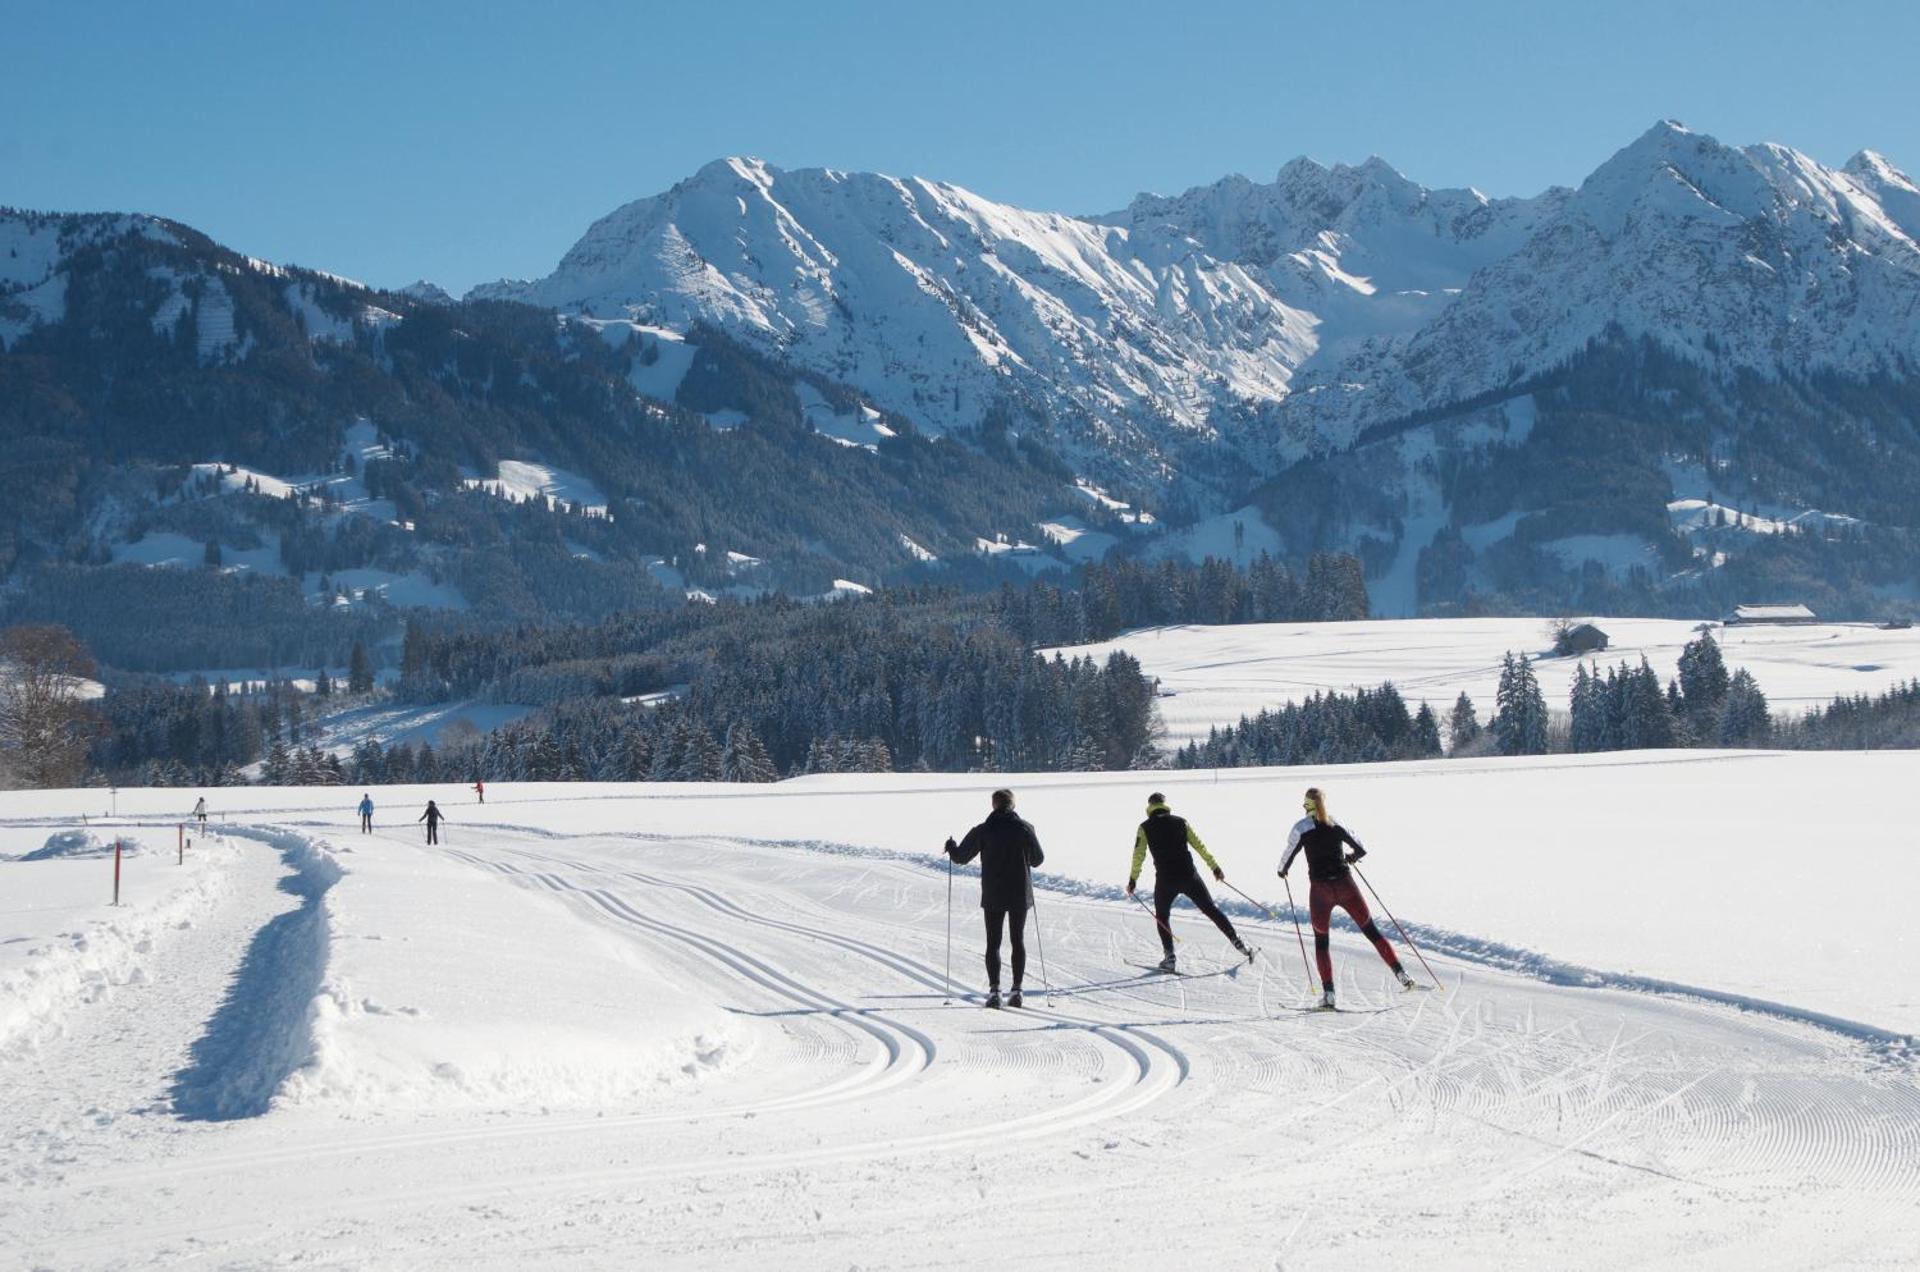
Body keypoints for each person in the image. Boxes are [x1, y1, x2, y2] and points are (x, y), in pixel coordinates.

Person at [1279, 787, 1415, 1009]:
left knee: (1322, 942)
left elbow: (1286, 857)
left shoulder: (1301, 828)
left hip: (1321, 892)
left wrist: (1282, 871)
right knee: (1371, 930)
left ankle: (1329, 994)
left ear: (1307, 806)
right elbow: (1361, 848)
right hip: (1346, 886)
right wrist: (1351, 857)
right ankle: (1402, 974)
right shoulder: (1335, 823)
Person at [1129, 793, 1254, 973]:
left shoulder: (1144, 828)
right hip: (1189, 876)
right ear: (1165, 804)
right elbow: (1199, 846)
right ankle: (1237, 942)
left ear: (1149, 807)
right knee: (1210, 909)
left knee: (1162, 917)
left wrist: (1133, 880)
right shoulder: (1181, 822)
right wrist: (1215, 867)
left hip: (1165, 880)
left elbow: (1138, 856)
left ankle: (1170, 957)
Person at [943, 788, 1044, 1009]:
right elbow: (1038, 859)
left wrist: (951, 847)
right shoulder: (1026, 828)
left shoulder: (984, 830)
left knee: (993, 943)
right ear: (1013, 805)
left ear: (994, 805)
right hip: (1020, 892)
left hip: (994, 892)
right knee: (1017, 941)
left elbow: (961, 857)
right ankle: (1017, 990)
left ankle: (995, 991)